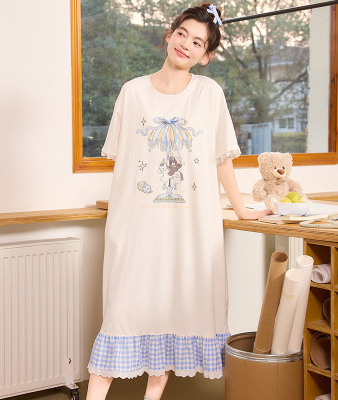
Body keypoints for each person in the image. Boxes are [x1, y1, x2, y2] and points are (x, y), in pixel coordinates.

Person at [86, 3, 271, 400]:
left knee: (175, 316)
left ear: (206, 56)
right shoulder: (132, 92)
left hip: (190, 231)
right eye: (182, 33)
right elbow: (125, 163)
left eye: (198, 42)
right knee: (122, 317)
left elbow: (222, 159)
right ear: (169, 35)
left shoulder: (209, 94)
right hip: (136, 231)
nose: (186, 44)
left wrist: (241, 209)